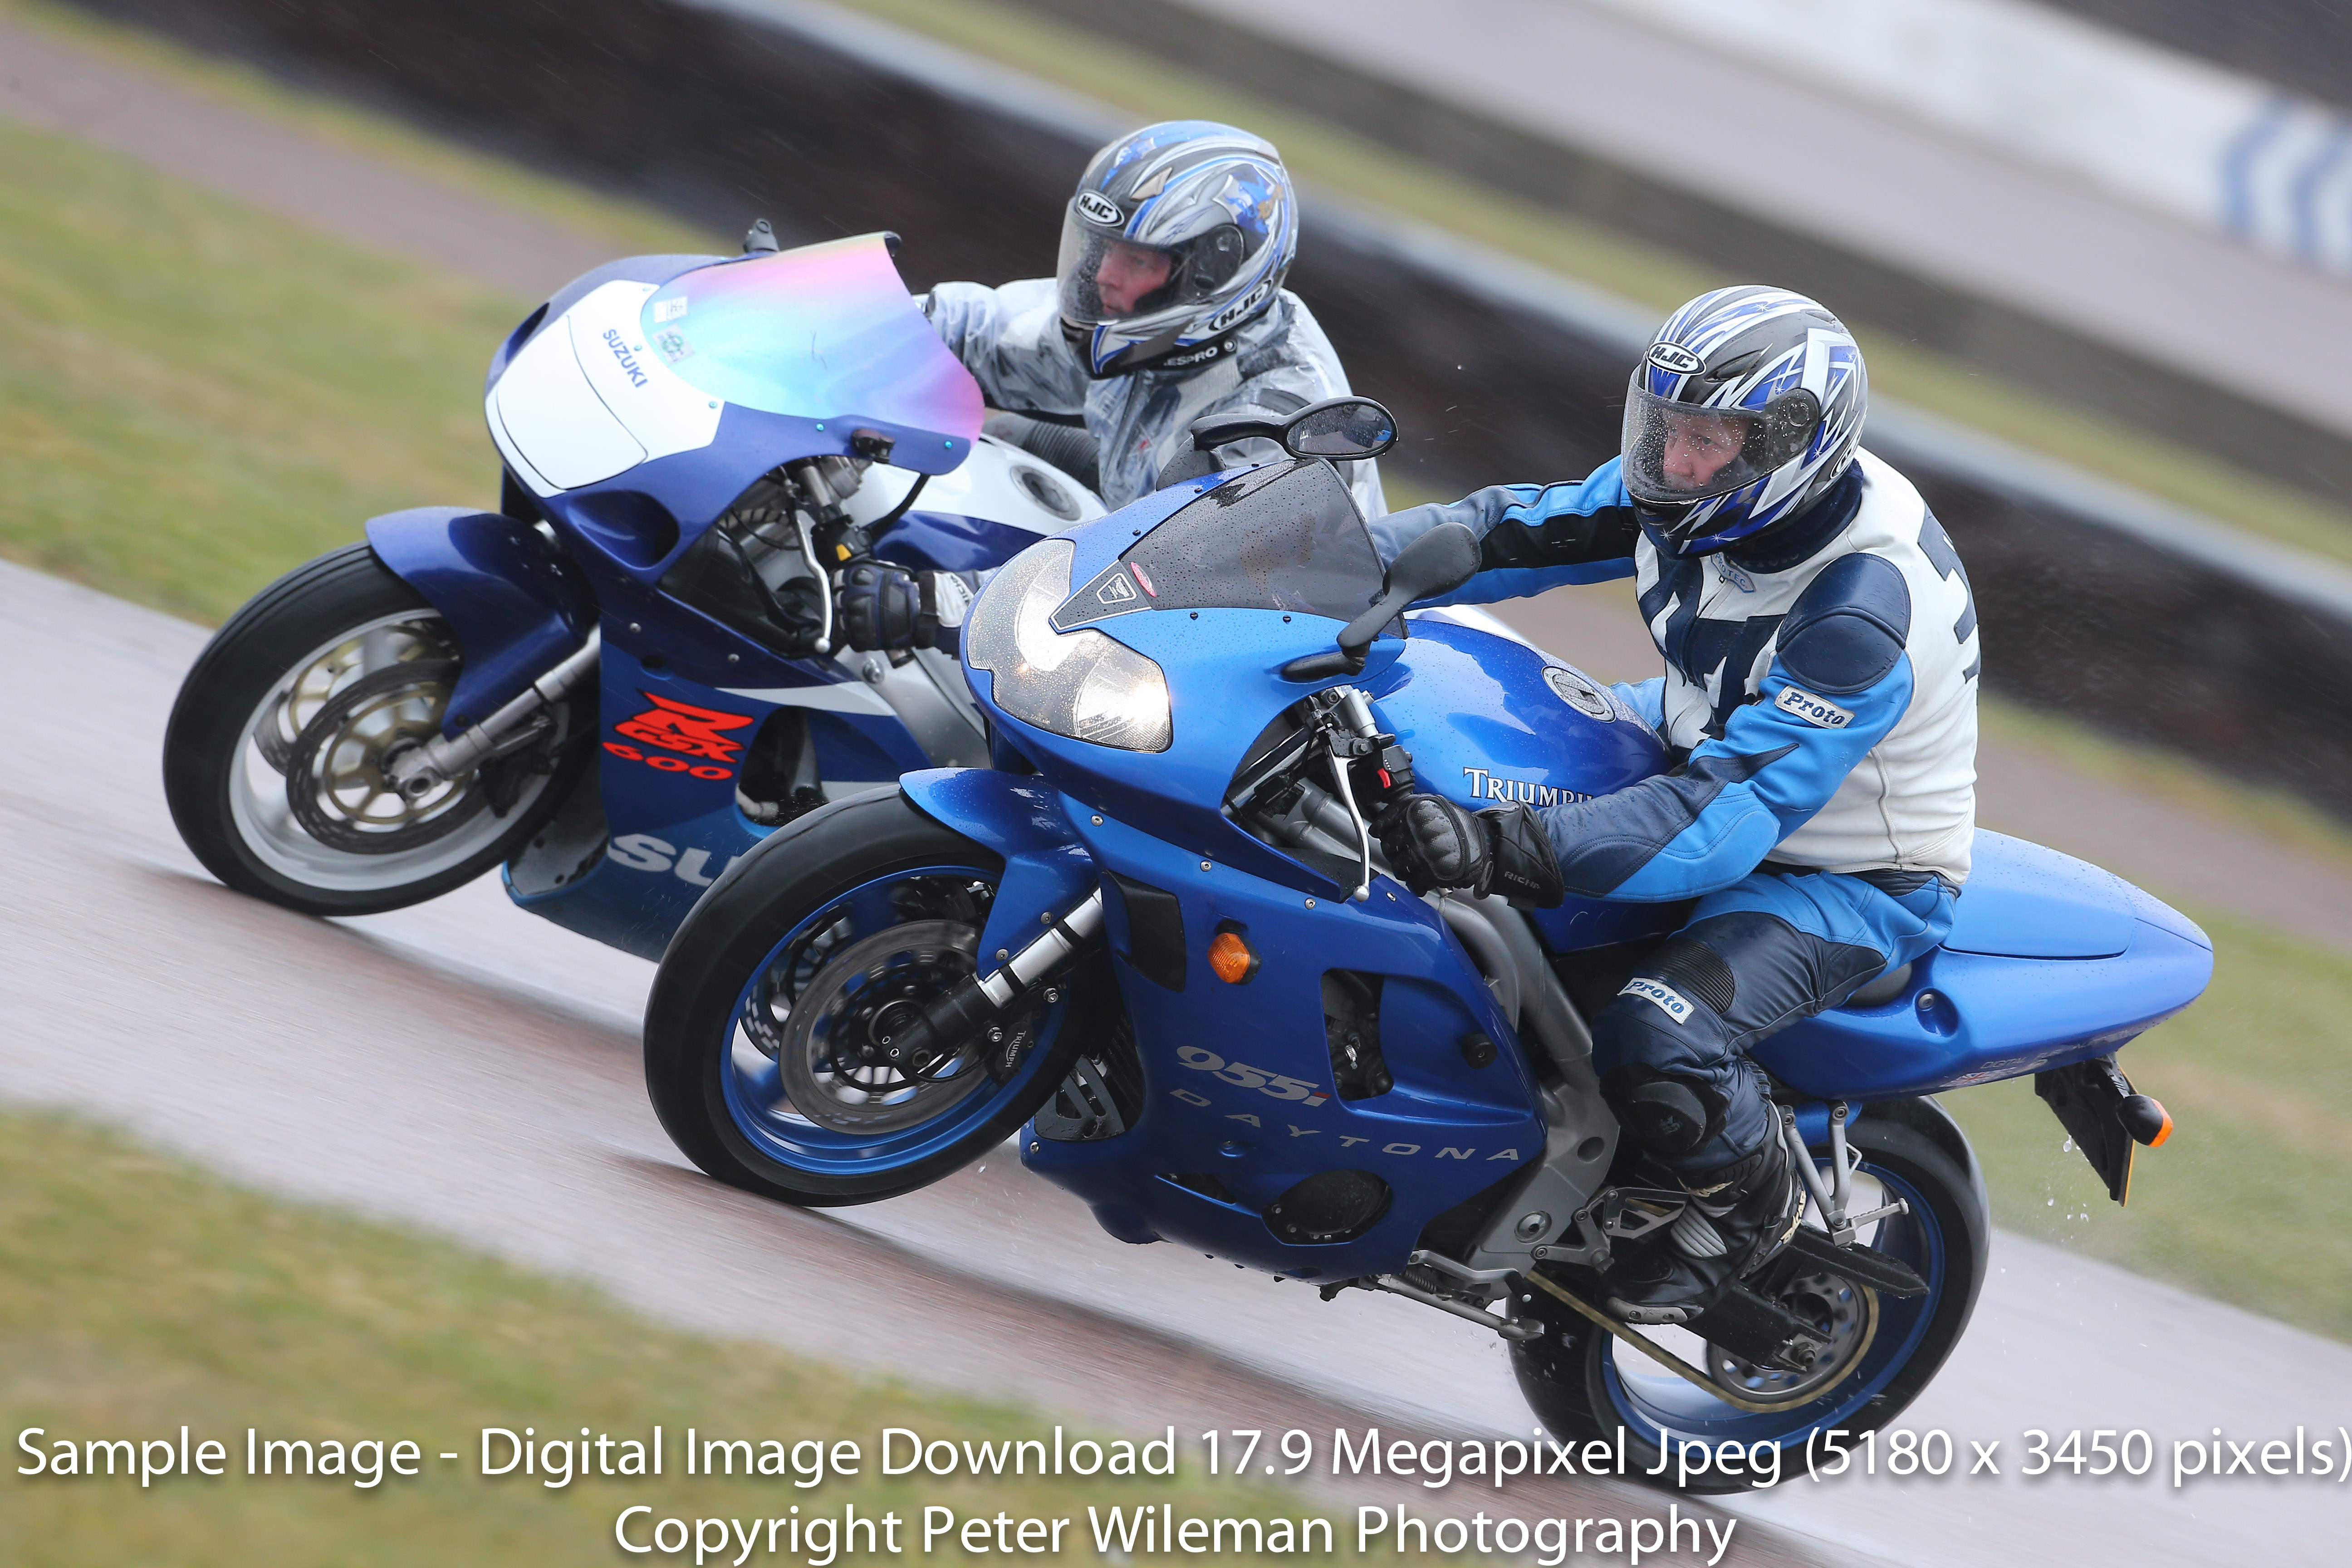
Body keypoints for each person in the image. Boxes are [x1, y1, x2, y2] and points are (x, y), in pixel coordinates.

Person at [1373, 285, 1981, 1325]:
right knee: (1433, 751)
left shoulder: (1859, 612)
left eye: (1710, 441)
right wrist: (1319, 560)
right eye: (1667, 431)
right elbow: (1501, 530)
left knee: (1657, 1031)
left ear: (1788, 447)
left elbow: (1717, 827)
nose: (1677, 462)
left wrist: (1494, 845)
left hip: (1839, 873)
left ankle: (1751, 1215)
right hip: (1699, 741)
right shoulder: (1686, 493)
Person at [838, 120, 1382, 654]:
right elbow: (965, 327)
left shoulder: (1283, 420)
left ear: (1209, 273)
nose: (1103, 275)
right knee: (985, 445)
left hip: (1256, 671)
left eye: (1137, 259)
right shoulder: (1130, 326)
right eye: (1102, 248)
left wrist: (948, 603)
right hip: (1140, 569)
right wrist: (801, 309)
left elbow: (1167, 575)